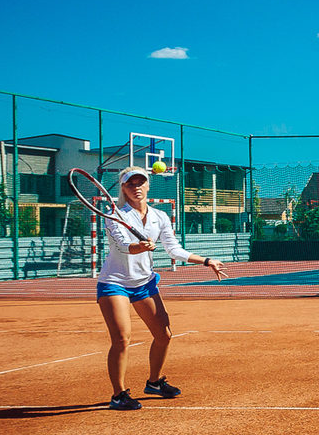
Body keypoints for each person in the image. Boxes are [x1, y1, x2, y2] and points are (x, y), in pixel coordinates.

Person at [97, 166, 228, 411]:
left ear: (148, 186)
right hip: (114, 282)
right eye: (130, 184)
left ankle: (155, 382)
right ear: (123, 189)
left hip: (144, 283)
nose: (136, 187)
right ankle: (118, 395)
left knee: (164, 335)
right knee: (122, 339)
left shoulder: (160, 216)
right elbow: (125, 247)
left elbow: (174, 250)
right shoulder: (115, 215)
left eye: (140, 183)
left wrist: (206, 261)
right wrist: (141, 246)